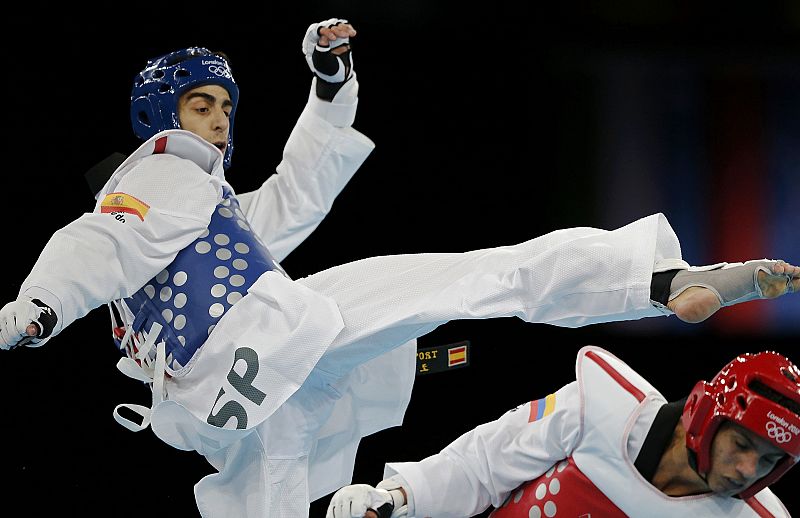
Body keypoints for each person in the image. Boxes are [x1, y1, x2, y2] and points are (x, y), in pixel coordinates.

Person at [0, 15, 798, 518]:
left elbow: (296, 196)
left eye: (224, 106)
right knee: (480, 278)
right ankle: (656, 281)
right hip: (263, 343)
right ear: (156, 119)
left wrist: (327, 89)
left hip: (244, 387)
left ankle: (657, 283)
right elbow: (94, 247)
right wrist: (37, 306)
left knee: (294, 466)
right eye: (199, 105)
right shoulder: (158, 177)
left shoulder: (213, 211)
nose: (217, 120)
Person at [326, 346, 800, 518]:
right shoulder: (599, 407)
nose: (746, 469)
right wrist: (396, 499)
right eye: (741, 444)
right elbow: (481, 467)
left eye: (768, 461)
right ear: (703, 416)